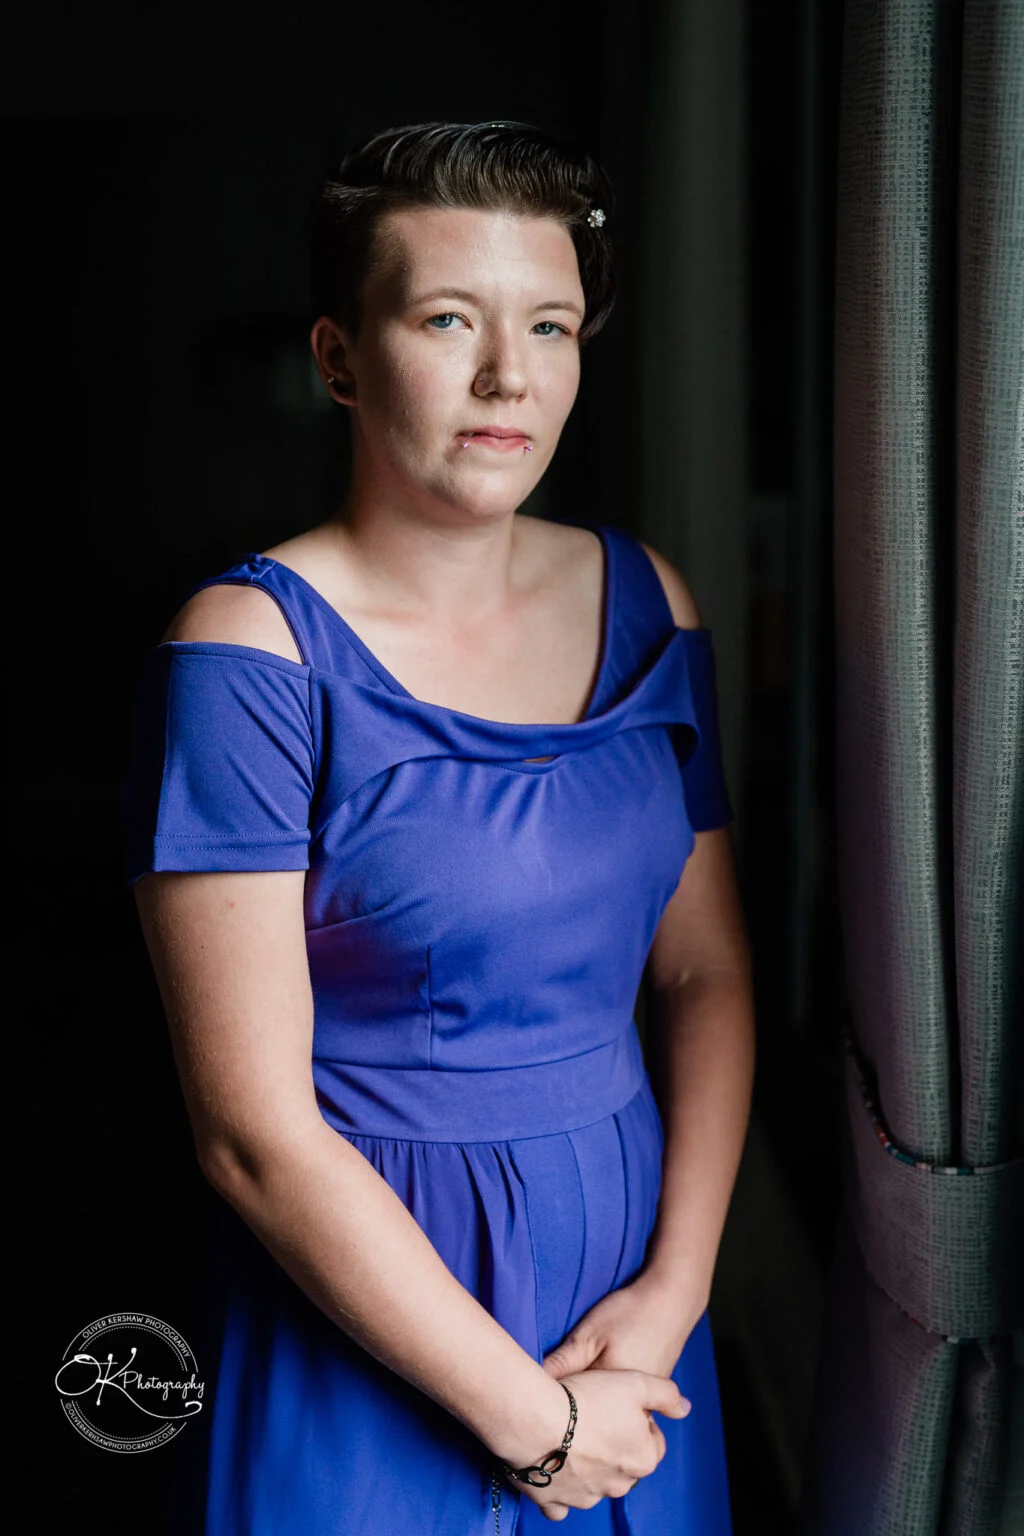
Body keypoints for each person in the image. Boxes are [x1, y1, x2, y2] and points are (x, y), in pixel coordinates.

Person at [123, 119, 754, 1535]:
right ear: (340, 357)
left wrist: (673, 1299)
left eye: (551, 325)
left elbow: (705, 975)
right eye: (448, 319)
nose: (507, 377)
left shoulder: (652, 600)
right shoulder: (247, 653)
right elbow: (252, 1134)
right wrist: (536, 1428)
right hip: (370, 1317)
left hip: (632, 1323)